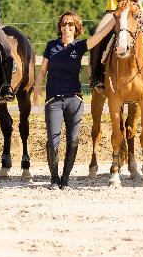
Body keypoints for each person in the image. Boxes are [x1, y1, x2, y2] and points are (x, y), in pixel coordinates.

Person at [33, 11, 114, 189]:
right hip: (54, 100)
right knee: (53, 139)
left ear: (76, 28)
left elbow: (99, 36)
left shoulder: (79, 46)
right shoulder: (51, 46)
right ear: (60, 27)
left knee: (73, 139)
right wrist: (36, 91)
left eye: (71, 24)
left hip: (74, 100)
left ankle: (65, 179)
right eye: (64, 23)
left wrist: (115, 18)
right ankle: (54, 179)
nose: (67, 26)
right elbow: (42, 71)